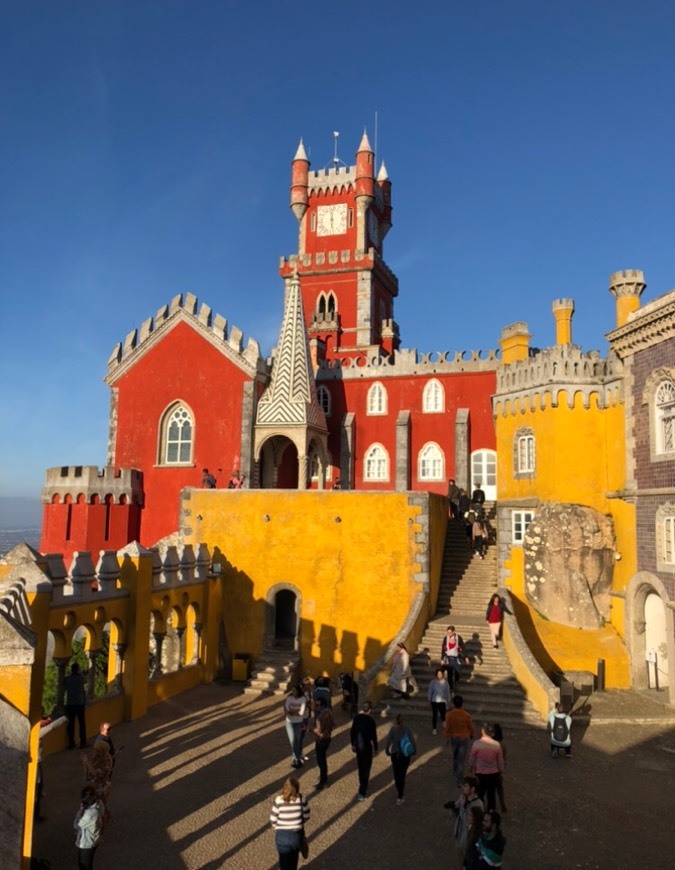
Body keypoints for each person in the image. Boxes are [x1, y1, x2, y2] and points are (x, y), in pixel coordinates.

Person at [269, 775, 310, 870]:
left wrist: (278, 826)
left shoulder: (279, 799)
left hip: (281, 835)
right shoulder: (301, 799)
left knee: (283, 860)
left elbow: (273, 819)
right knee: (293, 860)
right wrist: (299, 821)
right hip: (296, 835)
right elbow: (307, 816)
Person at [468, 723, 504, 812]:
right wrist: (501, 771)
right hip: (493, 773)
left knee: (480, 793)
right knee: (491, 794)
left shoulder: (477, 744)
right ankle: (491, 811)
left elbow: (472, 758)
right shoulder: (496, 745)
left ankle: (480, 810)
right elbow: (500, 760)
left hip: (480, 773)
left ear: (482, 731)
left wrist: (471, 767)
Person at [444, 694, 476, 787]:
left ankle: (455, 770)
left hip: (454, 737)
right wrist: (472, 734)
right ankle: (459, 780)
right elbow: (470, 726)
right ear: (462, 704)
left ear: (454, 704)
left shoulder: (449, 715)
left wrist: (446, 737)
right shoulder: (466, 715)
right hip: (464, 738)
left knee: (455, 755)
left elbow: (447, 727)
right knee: (461, 759)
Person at [385, 713, 417, 805]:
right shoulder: (407, 730)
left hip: (395, 755)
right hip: (405, 755)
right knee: (402, 774)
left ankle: (398, 786)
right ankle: (400, 795)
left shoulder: (393, 730)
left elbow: (388, 742)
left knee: (396, 772)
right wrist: (414, 751)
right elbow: (412, 741)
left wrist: (387, 750)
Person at [350, 700, 378, 800]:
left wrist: (353, 744)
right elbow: (373, 736)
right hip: (366, 747)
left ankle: (362, 785)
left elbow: (352, 732)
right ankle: (362, 790)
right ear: (370, 710)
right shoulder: (371, 721)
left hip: (358, 746)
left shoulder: (357, 718)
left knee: (361, 767)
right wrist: (376, 748)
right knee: (366, 769)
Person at [450, 775, 484, 854]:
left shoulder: (478, 805)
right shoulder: (463, 797)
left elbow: (475, 825)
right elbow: (457, 805)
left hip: (468, 840)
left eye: (465, 786)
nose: (463, 788)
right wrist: (453, 807)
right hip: (459, 834)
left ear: (473, 789)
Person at [73, 786, 104, 870]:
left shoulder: (89, 814)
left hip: (87, 844)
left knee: (85, 866)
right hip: (94, 839)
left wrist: (80, 811)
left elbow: (76, 825)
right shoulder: (99, 804)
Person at [312, 696, 334, 790]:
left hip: (321, 739)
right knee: (323, 759)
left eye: (318, 705)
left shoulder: (320, 717)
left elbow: (319, 731)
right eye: (315, 704)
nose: (316, 707)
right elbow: (333, 723)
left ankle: (323, 781)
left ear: (322, 705)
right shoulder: (329, 712)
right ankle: (323, 777)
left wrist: (309, 730)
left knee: (321, 761)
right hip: (328, 737)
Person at [283, 685, 308, 769]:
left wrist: (292, 712)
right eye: (292, 690)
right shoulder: (289, 697)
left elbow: (301, 712)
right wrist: (295, 711)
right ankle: (296, 759)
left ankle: (296, 758)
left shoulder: (303, 699)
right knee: (293, 741)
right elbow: (286, 709)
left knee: (297, 740)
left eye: (295, 690)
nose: (293, 692)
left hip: (298, 722)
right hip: (289, 722)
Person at [65, 662, 88, 750]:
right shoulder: (80, 678)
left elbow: (64, 686)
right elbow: (86, 681)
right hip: (79, 703)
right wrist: (81, 672)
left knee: (71, 724)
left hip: (70, 704)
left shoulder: (68, 679)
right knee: (81, 723)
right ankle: (83, 742)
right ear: (77, 670)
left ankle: (71, 743)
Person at [441, 626, 467, 691]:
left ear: (453, 632)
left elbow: (463, 647)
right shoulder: (446, 638)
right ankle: (451, 687)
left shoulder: (458, 638)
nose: (449, 634)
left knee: (458, 671)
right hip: (448, 658)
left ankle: (456, 681)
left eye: (450, 633)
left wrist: (465, 657)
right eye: (448, 632)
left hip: (456, 658)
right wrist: (442, 659)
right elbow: (443, 649)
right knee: (449, 674)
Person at [427, 668, 451, 734]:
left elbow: (447, 692)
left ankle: (444, 724)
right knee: (434, 715)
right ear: (436, 675)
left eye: (440, 674)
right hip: (434, 700)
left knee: (443, 715)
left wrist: (448, 700)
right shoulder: (433, 682)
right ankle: (434, 728)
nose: (439, 675)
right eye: (438, 674)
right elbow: (430, 691)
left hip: (442, 701)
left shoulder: (445, 682)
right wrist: (429, 699)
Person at [463, 804, 485, 870]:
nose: (467, 817)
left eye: (470, 815)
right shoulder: (471, 828)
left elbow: (476, 854)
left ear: (475, 818)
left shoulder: (479, 835)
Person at [492, 723, 507, 812]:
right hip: (498, 769)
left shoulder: (491, 744)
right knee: (499, 788)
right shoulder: (502, 744)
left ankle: (492, 806)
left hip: (491, 768)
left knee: (491, 789)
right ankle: (502, 804)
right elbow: (504, 758)